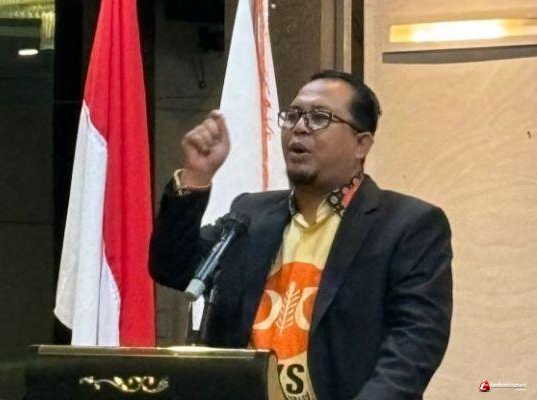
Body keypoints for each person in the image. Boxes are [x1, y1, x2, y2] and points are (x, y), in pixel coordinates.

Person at [149, 70, 452, 400]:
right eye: (293, 115)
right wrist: (195, 177)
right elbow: (173, 267)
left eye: (320, 117)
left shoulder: (407, 226)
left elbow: (414, 346)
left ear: (361, 144)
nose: (300, 127)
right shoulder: (251, 215)